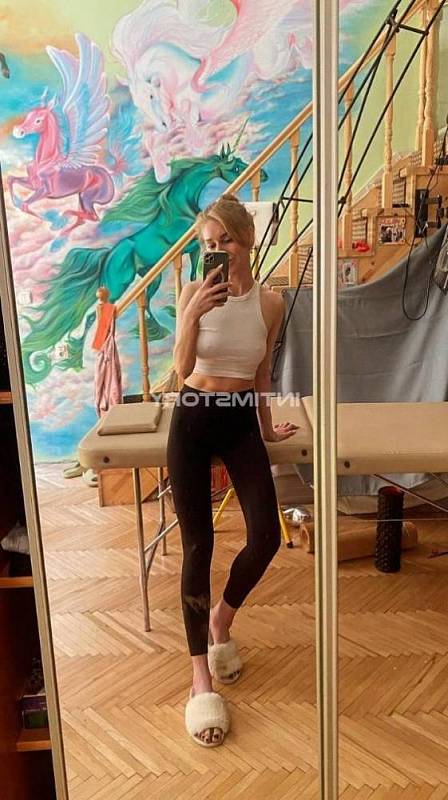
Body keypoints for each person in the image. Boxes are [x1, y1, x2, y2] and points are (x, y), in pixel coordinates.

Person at [167, 194, 298, 748]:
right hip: (194, 416)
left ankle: (221, 619)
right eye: (208, 243)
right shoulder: (192, 293)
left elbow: (262, 372)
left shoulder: (270, 303)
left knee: (265, 536)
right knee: (198, 545)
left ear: (246, 240)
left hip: (241, 418)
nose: (217, 250)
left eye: (225, 241)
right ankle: (200, 678)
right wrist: (192, 314)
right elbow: (180, 370)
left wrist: (267, 429)